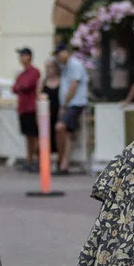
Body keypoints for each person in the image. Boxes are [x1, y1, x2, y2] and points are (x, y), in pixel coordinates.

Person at [54, 43, 90, 174]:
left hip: (75, 103)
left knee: (60, 127)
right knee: (66, 133)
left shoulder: (74, 65)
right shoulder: (64, 67)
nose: (58, 57)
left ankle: (62, 160)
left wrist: (64, 106)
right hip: (69, 104)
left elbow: (73, 86)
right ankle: (63, 163)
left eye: (59, 53)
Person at [13, 48, 41, 169]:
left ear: (29, 56)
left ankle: (36, 160)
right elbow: (14, 88)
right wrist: (19, 86)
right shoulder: (21, 74)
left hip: (31, 108)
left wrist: (19, 86)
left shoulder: (34, 72)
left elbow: (26, 85)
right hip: (23, 108)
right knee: (27, 135)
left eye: (23, 55)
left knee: (34, 135)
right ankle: (29, 159)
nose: (21, 58)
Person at [43, 51, 62, 131]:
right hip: (46, 114)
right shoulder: (43, 81)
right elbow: (38, 97)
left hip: (58, 112)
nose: (48, 69)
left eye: (50, 67)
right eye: (46, 67)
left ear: (55, 67)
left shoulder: (61, 81)